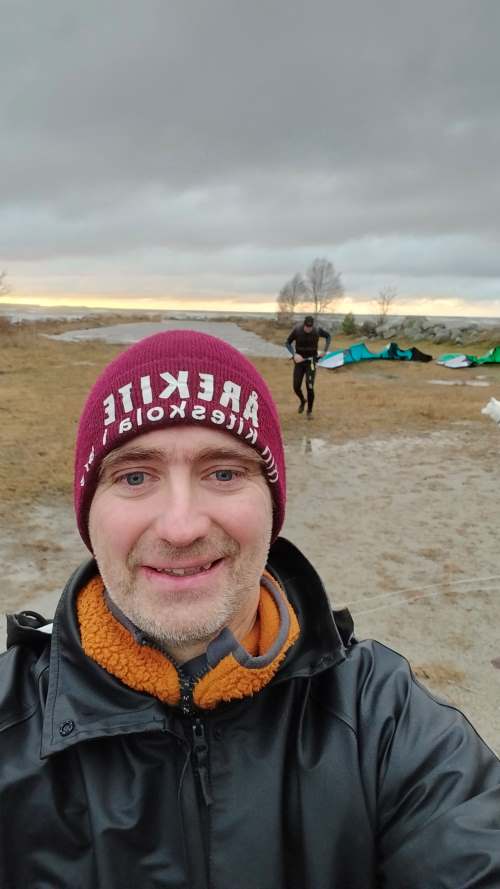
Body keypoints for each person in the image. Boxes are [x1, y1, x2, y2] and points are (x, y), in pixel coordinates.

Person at [1, 329, 499, 889]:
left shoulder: (383, 722)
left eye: (224, 473)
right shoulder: (9, 721)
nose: (182, 526)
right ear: (89, 515)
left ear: (273, 506)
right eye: (135, 476)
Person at [285, 314, 331, 417]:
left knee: (309, 386)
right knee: (296, 386)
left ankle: (309, 411)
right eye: (306, 327)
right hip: (299, 362)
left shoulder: (317, 331)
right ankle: (302, 400)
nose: (308, 329)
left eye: (310, 327)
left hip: (311, 362)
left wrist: (325, 350)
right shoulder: (297, 330)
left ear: (312, 326)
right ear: (304, 324)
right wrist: (294, 354)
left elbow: (328, 336)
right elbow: (287, 343)